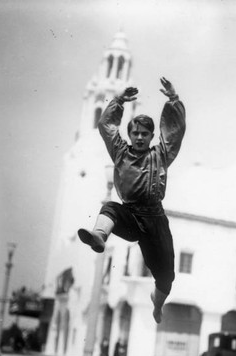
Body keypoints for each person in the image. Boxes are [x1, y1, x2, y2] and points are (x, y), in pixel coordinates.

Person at [77, 77, 186, 324]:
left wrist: (173, 99)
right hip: (130, 216)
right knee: (110, 208)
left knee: (166, 277)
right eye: (135, 133)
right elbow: (106, 126)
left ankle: (157, 305)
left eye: (144, 134)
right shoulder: (120, 152)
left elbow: (175, 132)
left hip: (155, 221)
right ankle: (99, 236)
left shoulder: (161, 154)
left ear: (150, 137)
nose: (139, 137)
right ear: (130, 134)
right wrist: (118, 101)